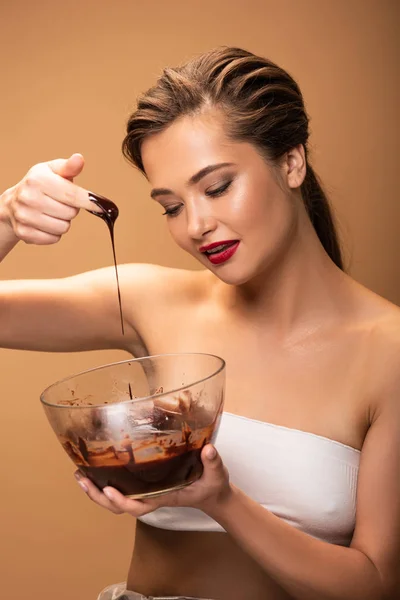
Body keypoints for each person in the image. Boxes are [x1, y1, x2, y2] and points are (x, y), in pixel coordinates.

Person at [0, 47, 399, 600]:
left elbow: (376, 585)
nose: (196, 225)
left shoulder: (389, 353)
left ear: (291, 162)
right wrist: (6, 216)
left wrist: (220, 500)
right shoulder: (151, 301)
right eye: (170, 206)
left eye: (216, 188)